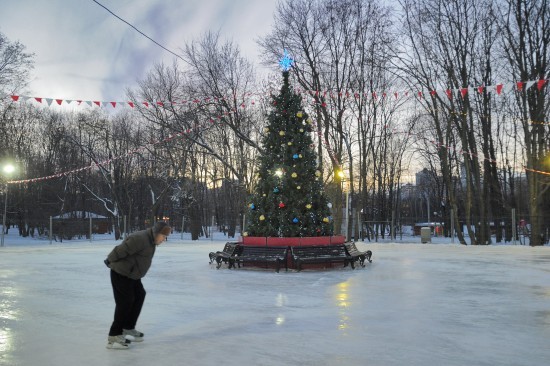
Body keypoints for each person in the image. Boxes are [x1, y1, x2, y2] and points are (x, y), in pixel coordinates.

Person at [104, 221, 171, 349]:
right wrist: (109, 260)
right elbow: (121, 250)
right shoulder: (140, 238)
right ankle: (114, 335)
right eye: (163, 236)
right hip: (121, 273)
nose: (164, 240)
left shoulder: (151, 241)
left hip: (132, 276)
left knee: (140, 295)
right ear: (157, 233)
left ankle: (128, 327)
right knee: (125, 302)